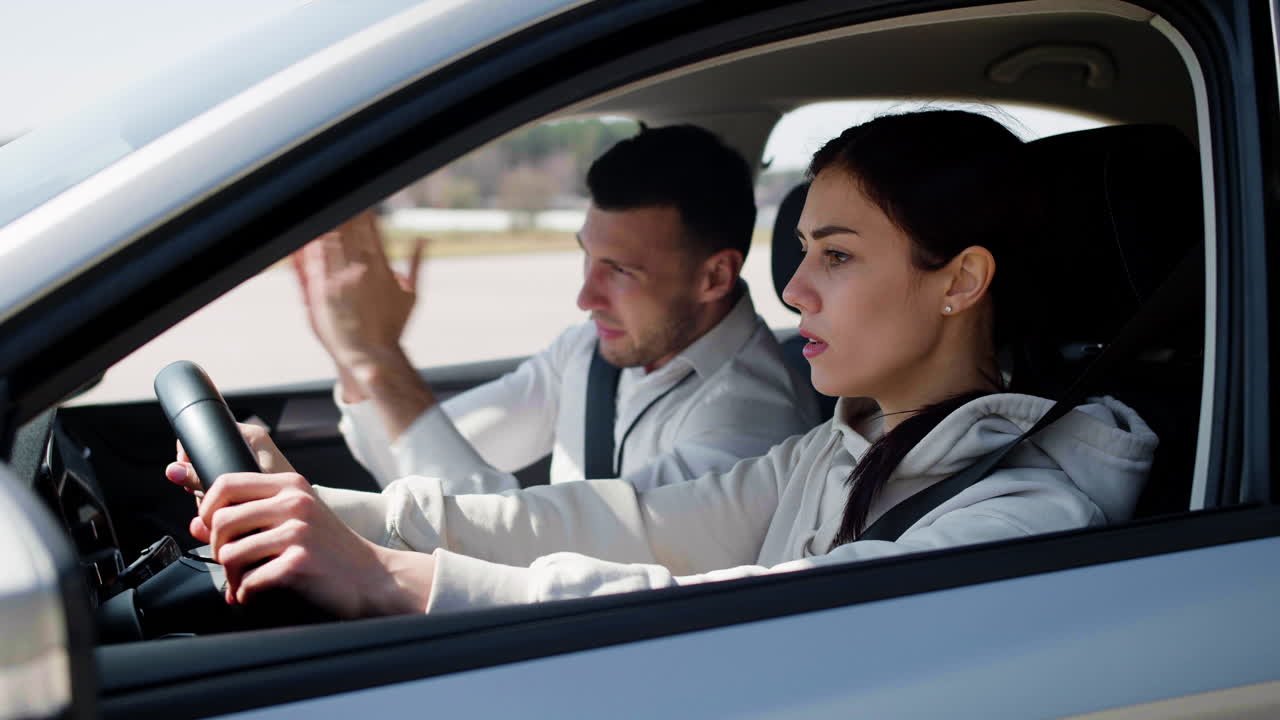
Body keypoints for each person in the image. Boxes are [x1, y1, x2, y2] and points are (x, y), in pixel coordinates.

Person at [166, 110, 1157, 619]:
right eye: (801, 250)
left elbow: (747, 618)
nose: (794, 290)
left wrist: (391, 578)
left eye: (837, 255)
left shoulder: (1024, 520)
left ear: (959, 281)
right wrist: (327, 510)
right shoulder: (839, 449)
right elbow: (607, 524)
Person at [295, 124, 820, 494]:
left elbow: (510, 544)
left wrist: (379, 356)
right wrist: (351, 349)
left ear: (715, 277)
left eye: (619, 271)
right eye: (587, 257)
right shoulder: (586, 353)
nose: (585, 298)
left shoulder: (751, 429)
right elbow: (413, 458)